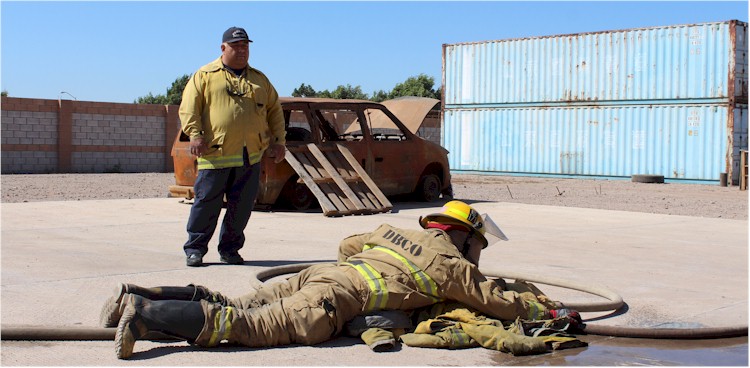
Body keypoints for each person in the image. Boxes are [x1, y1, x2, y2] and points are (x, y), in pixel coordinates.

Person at [101, 201, 578, 359]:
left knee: (240, 301)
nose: (479, 254)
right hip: (335, 295)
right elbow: (496, 301)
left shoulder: (391, 229)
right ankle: (144, 317)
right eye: (478, 244)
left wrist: (349, 277)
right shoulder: (451, 267)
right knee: (248, 327)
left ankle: (132, 294)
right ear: (461, 236)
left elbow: (349, 245)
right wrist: (552, 312)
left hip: (325, 275)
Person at [179, 26, 286, 267]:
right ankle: (195, 249)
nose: (241, 50)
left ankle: (230, 250)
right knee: (206, 205)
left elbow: (275, 112)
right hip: (215, 154)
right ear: (223, 48)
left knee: (241, 208)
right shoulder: (205, 75)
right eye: (236, 46)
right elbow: (189, 108)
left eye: (245, 46)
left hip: (250, 157)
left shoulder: (260, 80)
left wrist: (279, 141)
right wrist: (195, 135)